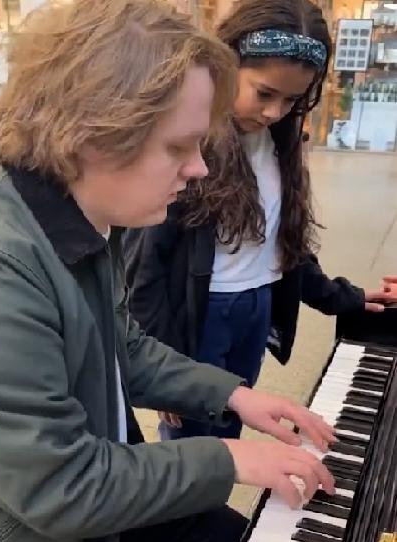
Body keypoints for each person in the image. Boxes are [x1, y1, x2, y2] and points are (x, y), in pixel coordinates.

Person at [0, 1, 336, 542]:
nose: (199, 168)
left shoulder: (89, 220)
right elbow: (58, 485)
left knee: (227, 536)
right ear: (95, 133)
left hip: (95, 496)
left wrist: (236, 396)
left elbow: (125, 345)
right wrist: (230, 459)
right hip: (41, 538)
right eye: (178, 146)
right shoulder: (3, 268)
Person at [124, 0, 397, 442]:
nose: (274, 111)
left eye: (291, 99)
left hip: (255, 309)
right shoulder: (187, 146)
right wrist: (159, 373)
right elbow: (146, 271)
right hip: (200, 316)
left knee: (232, 422)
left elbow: (284, 247)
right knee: (195, 438)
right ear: (225, 67)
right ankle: (188, 511)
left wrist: (344, 297)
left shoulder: (277, 144)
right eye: (264, 93)